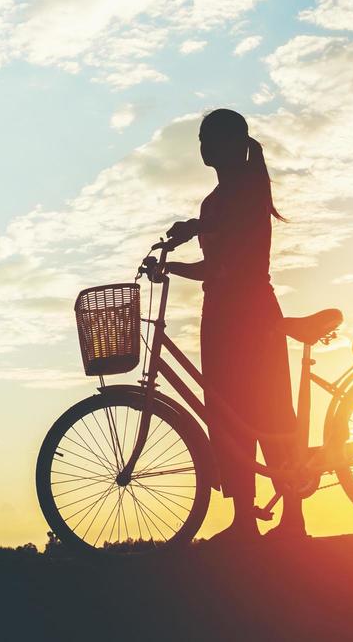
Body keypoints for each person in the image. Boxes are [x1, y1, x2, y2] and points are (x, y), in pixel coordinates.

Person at [149, 109, 303, 541]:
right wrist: (175, 266)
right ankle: (244, 521)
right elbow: (213, 266)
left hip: (251, 315)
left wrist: (193, 227)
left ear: (234, 143)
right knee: (227, 417)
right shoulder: (214, 200)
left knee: (267, 412)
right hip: (219, 316)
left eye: (209, 138)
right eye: (200, 139)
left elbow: (234, 237)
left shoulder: (249, 188)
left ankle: (293, 517)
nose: (203, 146)